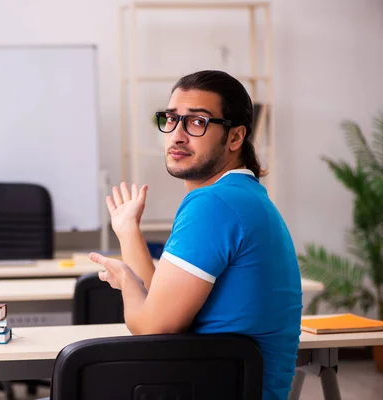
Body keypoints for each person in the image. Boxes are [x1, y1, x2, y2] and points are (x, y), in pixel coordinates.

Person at [88, 70, 302, 400]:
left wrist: (128, 283)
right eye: (171, 119)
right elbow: (161, 304)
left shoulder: (215, 203)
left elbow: (153, 329)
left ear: (235, 137)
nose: (177, 135)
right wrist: (128, 231)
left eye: (197, 122)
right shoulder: (241, 196)